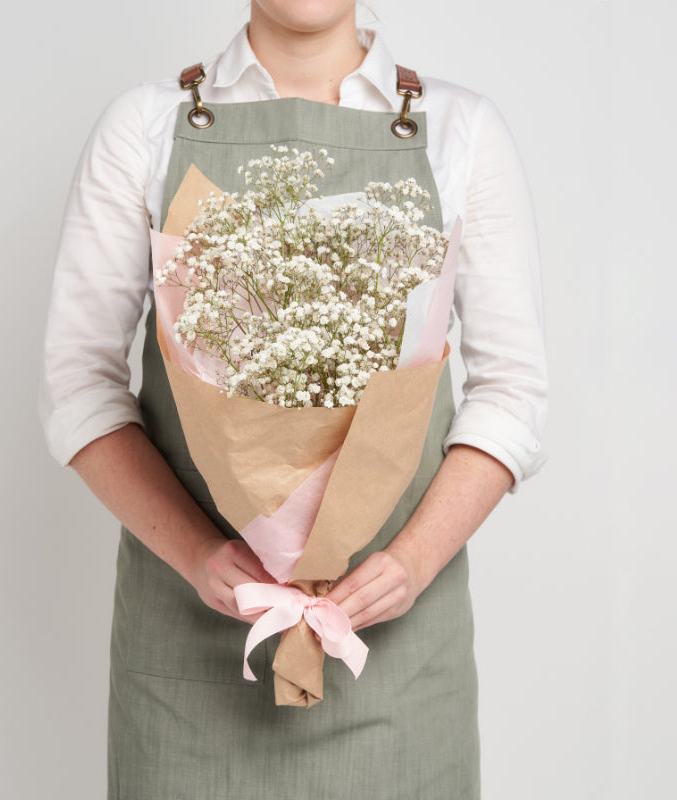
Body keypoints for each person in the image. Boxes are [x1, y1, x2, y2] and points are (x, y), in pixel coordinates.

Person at [40, 1, 547, 797]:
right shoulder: (144, 128)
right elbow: (78, 386)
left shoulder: (462, 131)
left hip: (398, 658)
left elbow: (513, 391)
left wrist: (411, 564)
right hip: (188, 661)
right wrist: (198, 555)